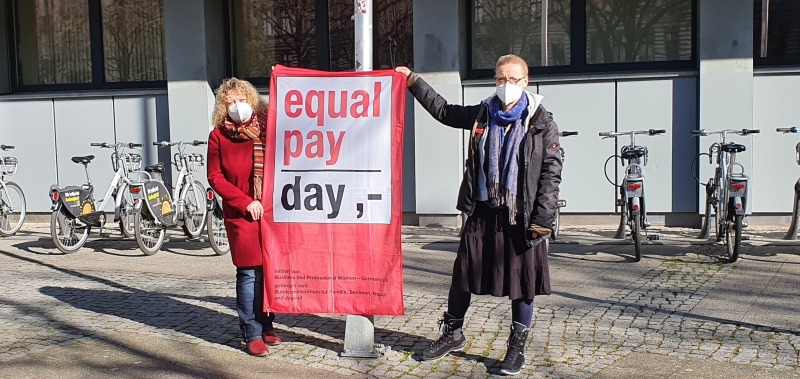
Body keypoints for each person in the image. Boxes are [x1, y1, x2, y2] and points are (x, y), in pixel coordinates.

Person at [396, 55, 561, 376]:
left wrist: (543, 219)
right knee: (463, 274)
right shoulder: (484, 113)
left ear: (526, 82)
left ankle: (516, 347)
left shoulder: (541, 122)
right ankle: (453, 333)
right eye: (500, 79)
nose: (506, 86)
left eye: (513, 79)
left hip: (523, 215)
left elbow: (551, 174)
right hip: (483, 211)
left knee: (522, 282)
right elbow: (444, 112)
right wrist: (413, 81)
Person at [207, 77, 282, 357]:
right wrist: (245, 202)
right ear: (223, 108)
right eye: (232, 102)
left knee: (268, 272)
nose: (238, 106)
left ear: (252, 100)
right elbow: (215, 177)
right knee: (250, 273)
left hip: (271, 212)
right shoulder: (218, 137)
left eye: (242, 100)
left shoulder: (266, 129)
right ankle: (251, 331)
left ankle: (266, 322)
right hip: (243, 214)